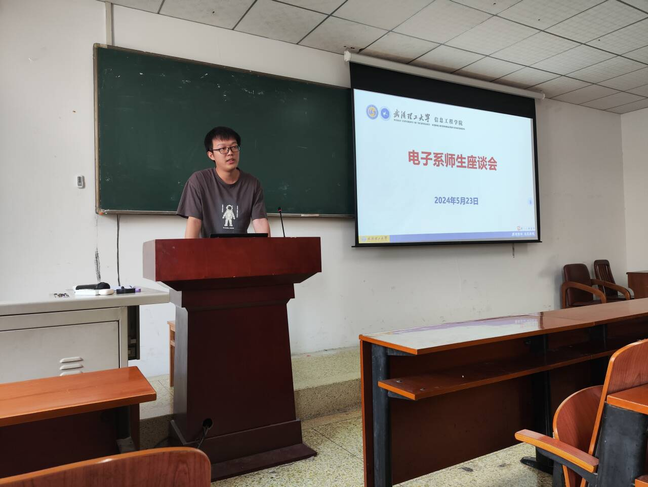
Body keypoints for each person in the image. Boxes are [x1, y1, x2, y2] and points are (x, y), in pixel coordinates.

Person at [177, 126, 270, 238]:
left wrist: (268, 248)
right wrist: (189, 249)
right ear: (211, 155)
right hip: (208, 248)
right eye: (222, 149)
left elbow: (260, 221)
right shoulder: (198, 181)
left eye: (234, 147)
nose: (230, 153)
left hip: (241, 248)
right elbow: (194, 221)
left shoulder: (253, 184)